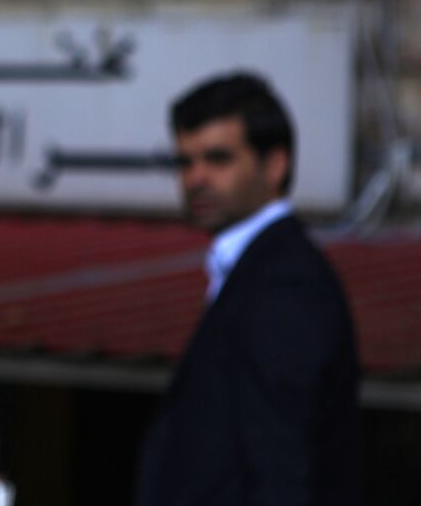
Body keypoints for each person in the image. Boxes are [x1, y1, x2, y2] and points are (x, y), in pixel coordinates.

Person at [136, 72, 359, 505]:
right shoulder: (254, 270)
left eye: (218, 159)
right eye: (185, 162)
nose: (196, 178)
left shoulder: (286, 283)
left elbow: (282, 462)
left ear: (274, 165)